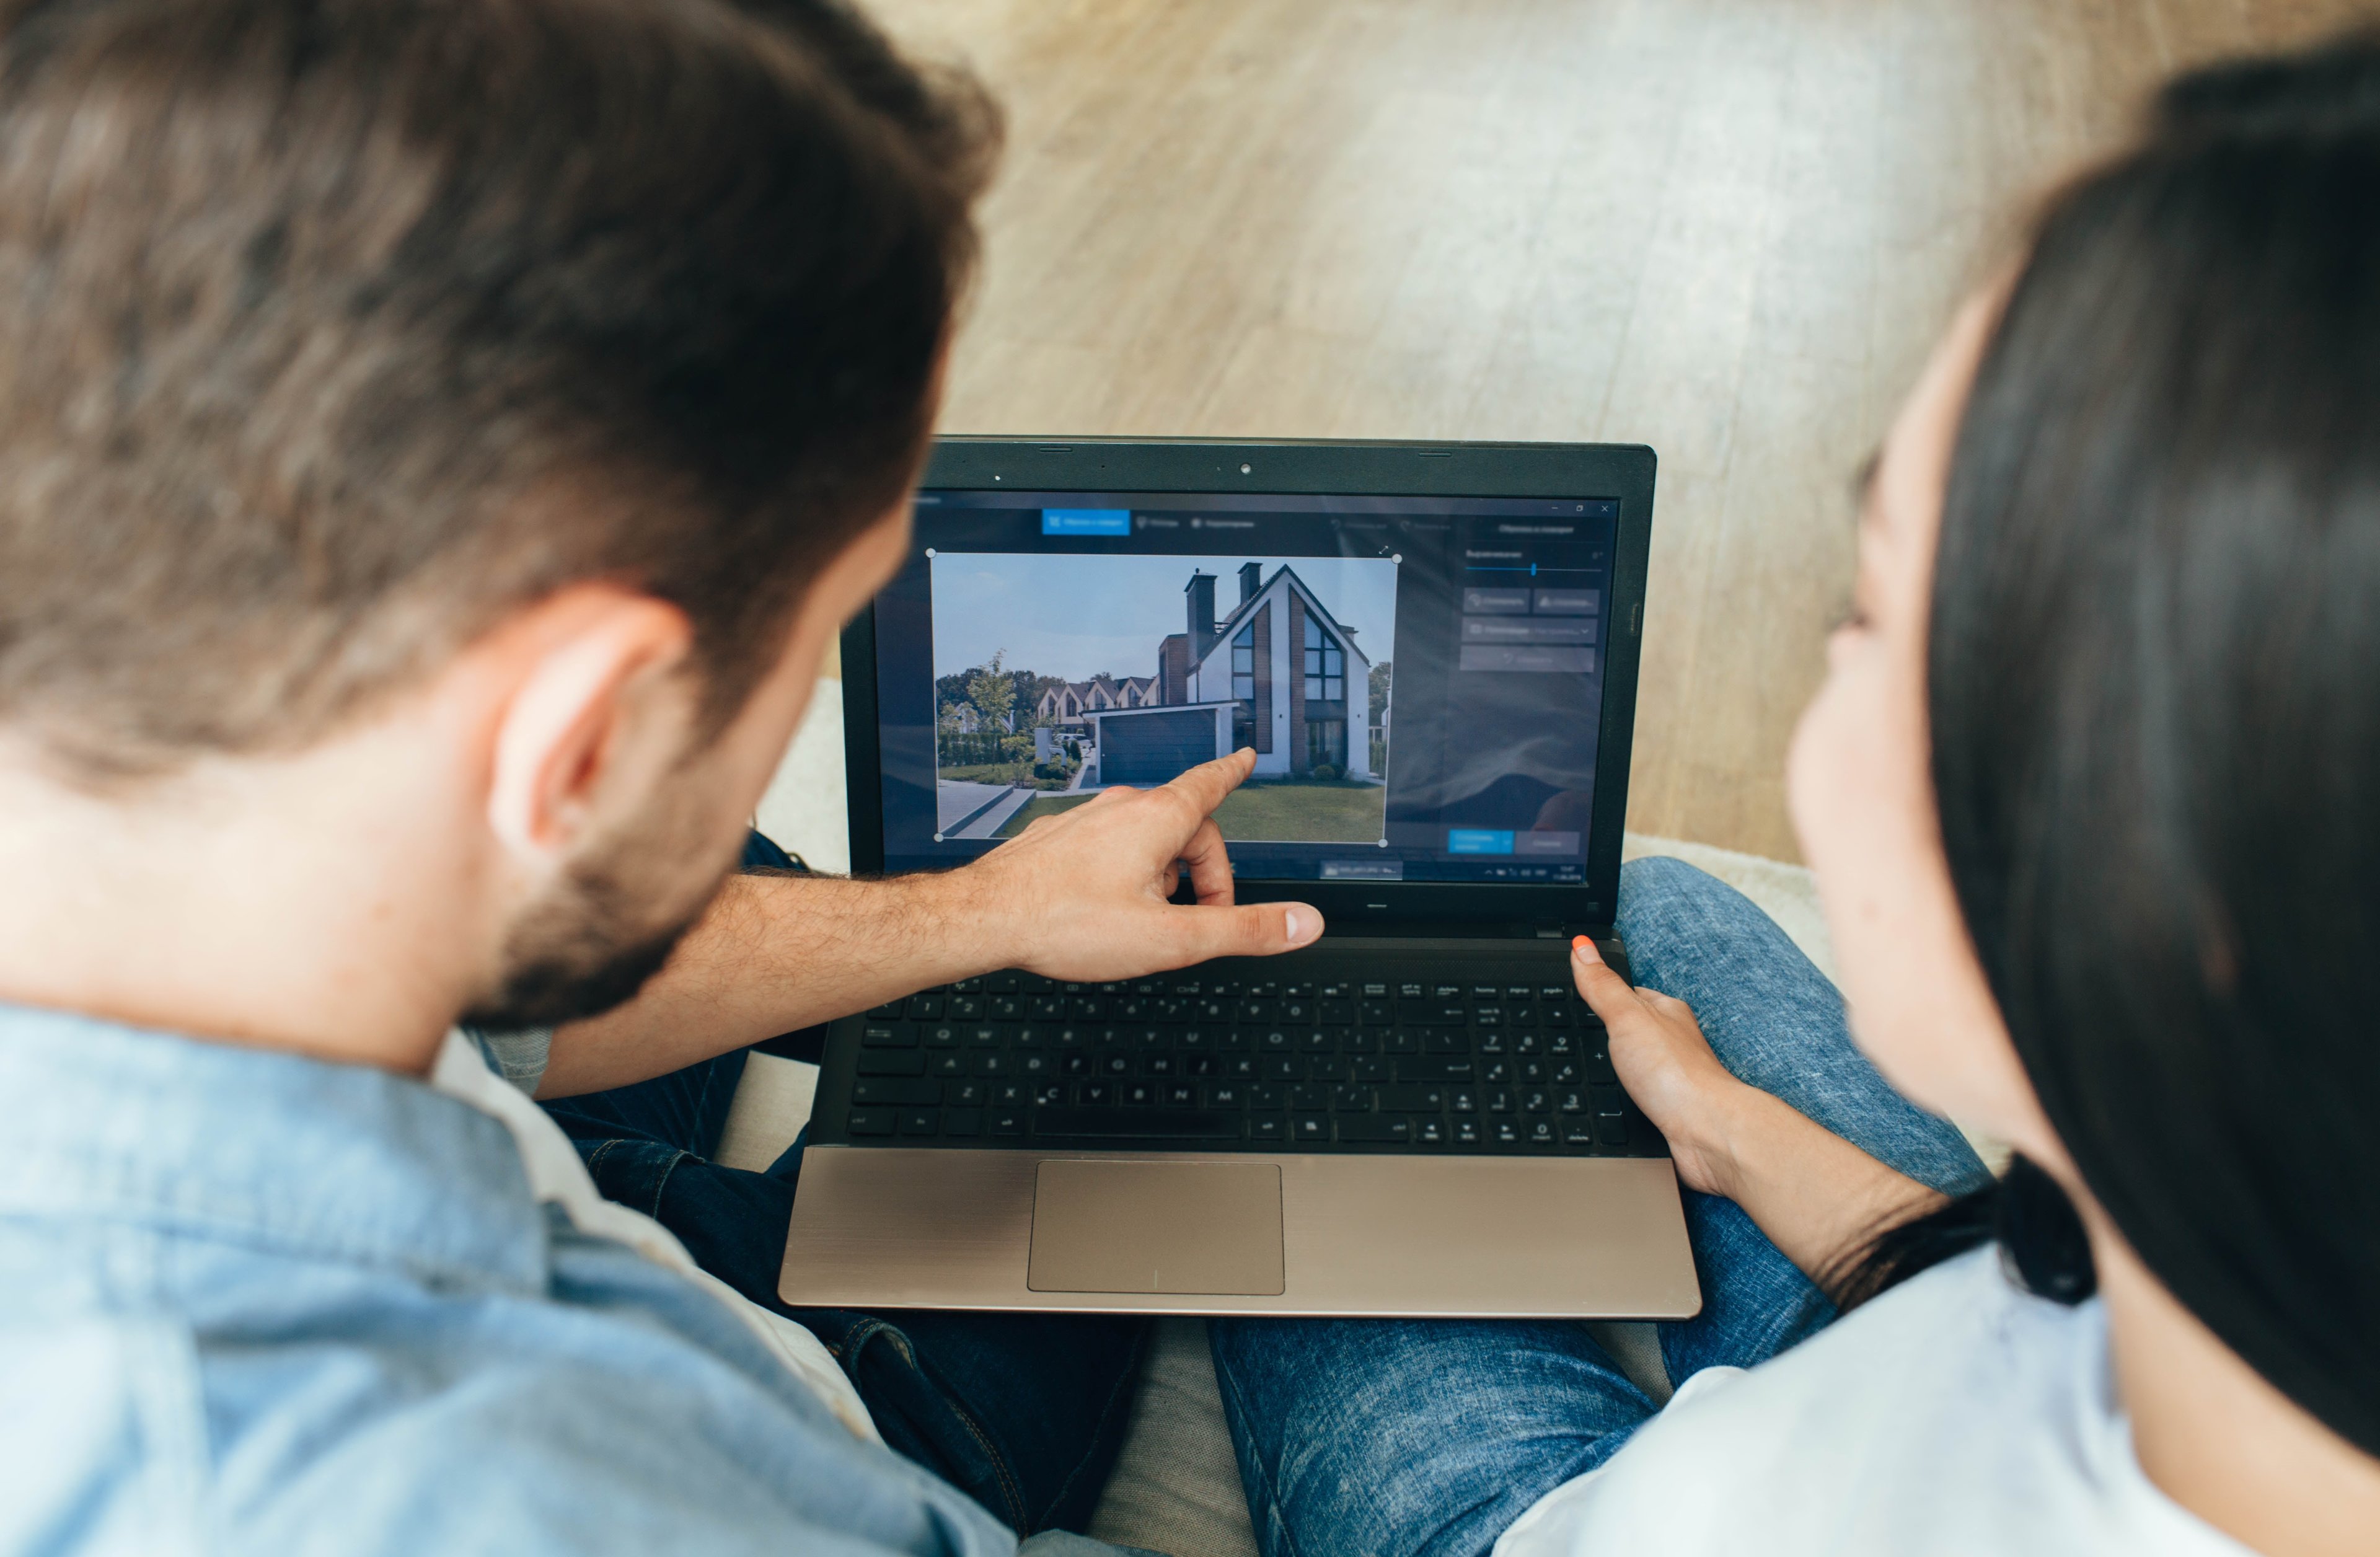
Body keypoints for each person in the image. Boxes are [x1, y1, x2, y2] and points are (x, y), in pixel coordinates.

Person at [0, 1, 1323, 1552]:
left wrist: (982, 906)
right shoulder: (505, 1494)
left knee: (728, 866)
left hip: (552, 1183)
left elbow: (497, 1013)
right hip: (824, 1421)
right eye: (829, 623)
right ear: (582, 736)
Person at [1207, 30, 2380, 1557]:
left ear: (2171, 877)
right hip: (1928, 1328)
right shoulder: (2249, 1264)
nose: (1824, 695)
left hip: (1527, 1520)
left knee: (1280, 1086)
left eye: (1874, 613)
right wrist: (1734, 1130)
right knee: (1650, 912)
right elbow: (2031, 1318)